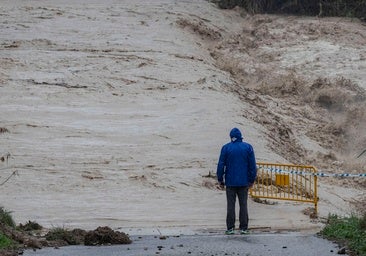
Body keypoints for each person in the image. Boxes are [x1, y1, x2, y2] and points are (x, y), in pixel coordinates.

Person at [217, 127, 257, 235]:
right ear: (240, 136)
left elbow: (221, 165)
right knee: (243, 205)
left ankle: (230, 228)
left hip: (230, 182)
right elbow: (252, 166)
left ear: (231, 137)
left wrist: (220, 179)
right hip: (244, 182)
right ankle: (244, 228)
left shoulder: (226, 148)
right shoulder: (248, 147)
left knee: (231, 205)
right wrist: (252, 179)